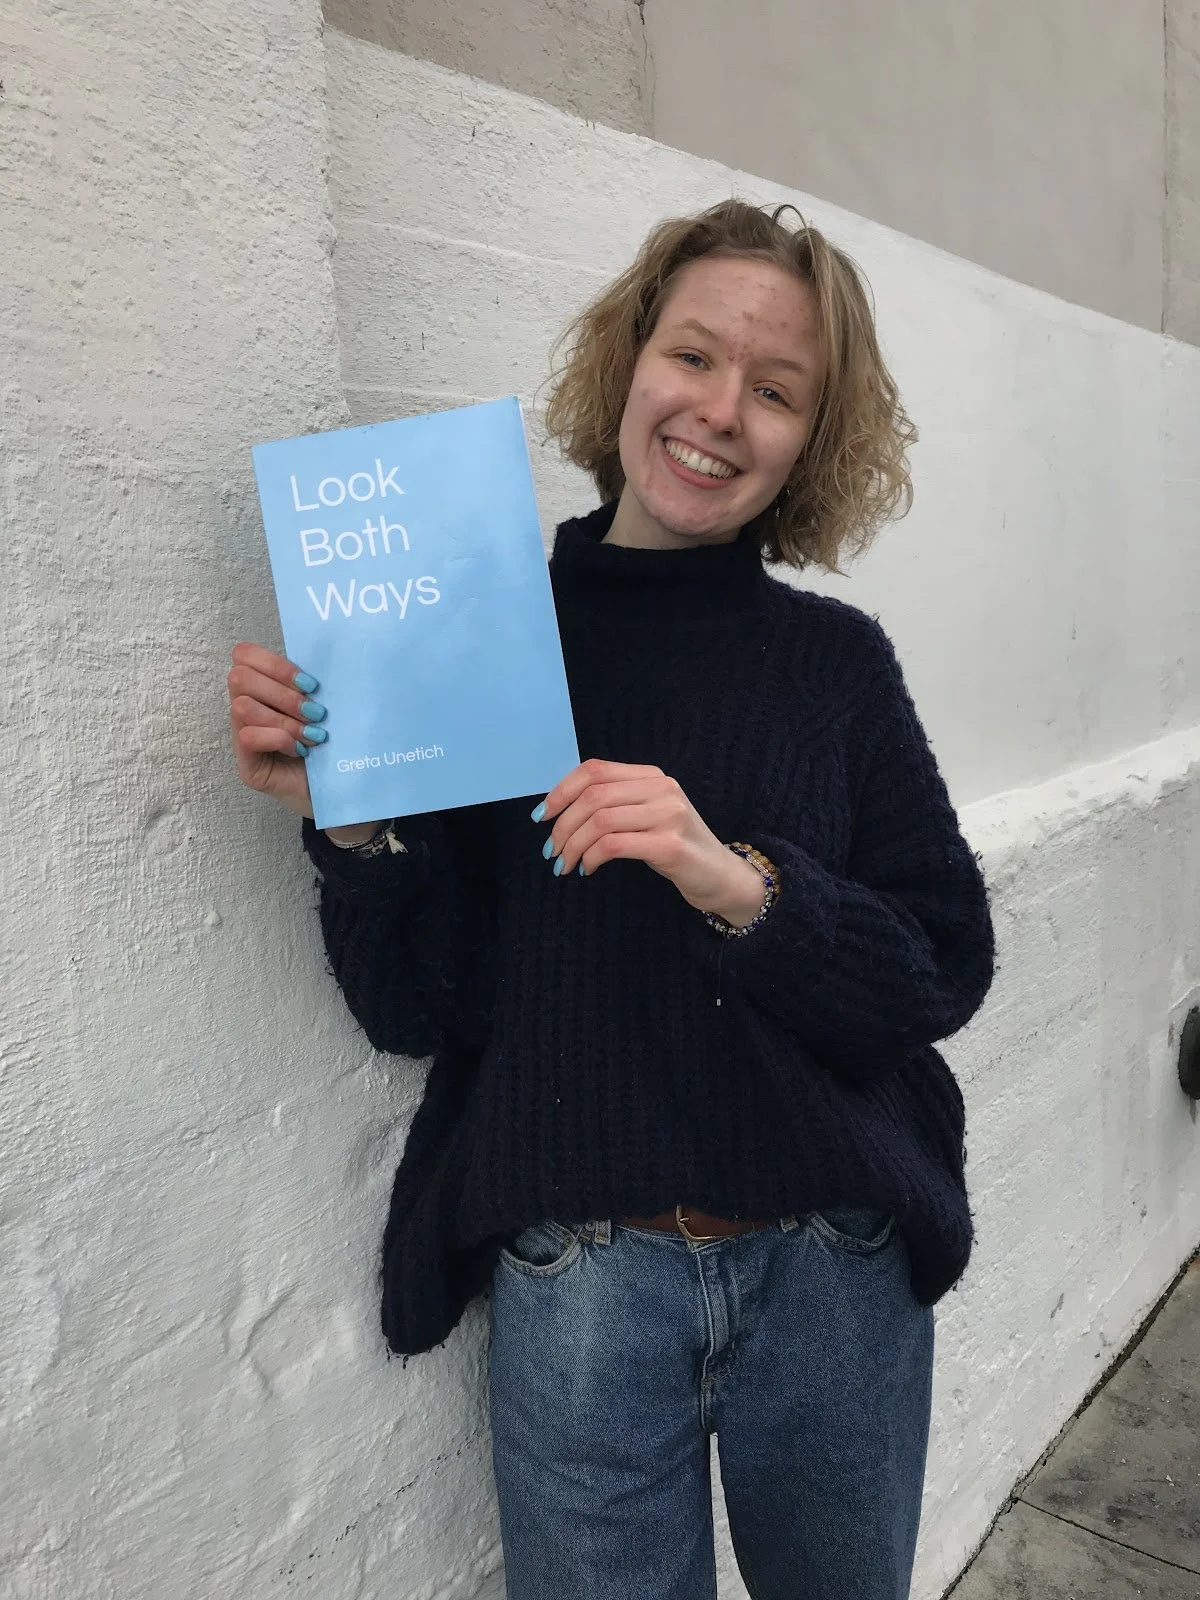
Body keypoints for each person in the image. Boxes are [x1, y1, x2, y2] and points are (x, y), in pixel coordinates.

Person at [227, 200, 995, 1600]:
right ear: (629, 362)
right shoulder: (473, 646)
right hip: (579, 1284)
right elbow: (418, 1010)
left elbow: (942, 965)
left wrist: (740, 883)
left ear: (812, 440)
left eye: (776, 391)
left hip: (832, 1265)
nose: (721, 412)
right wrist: (355, 825)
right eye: (692, 356)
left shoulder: (835, 666)